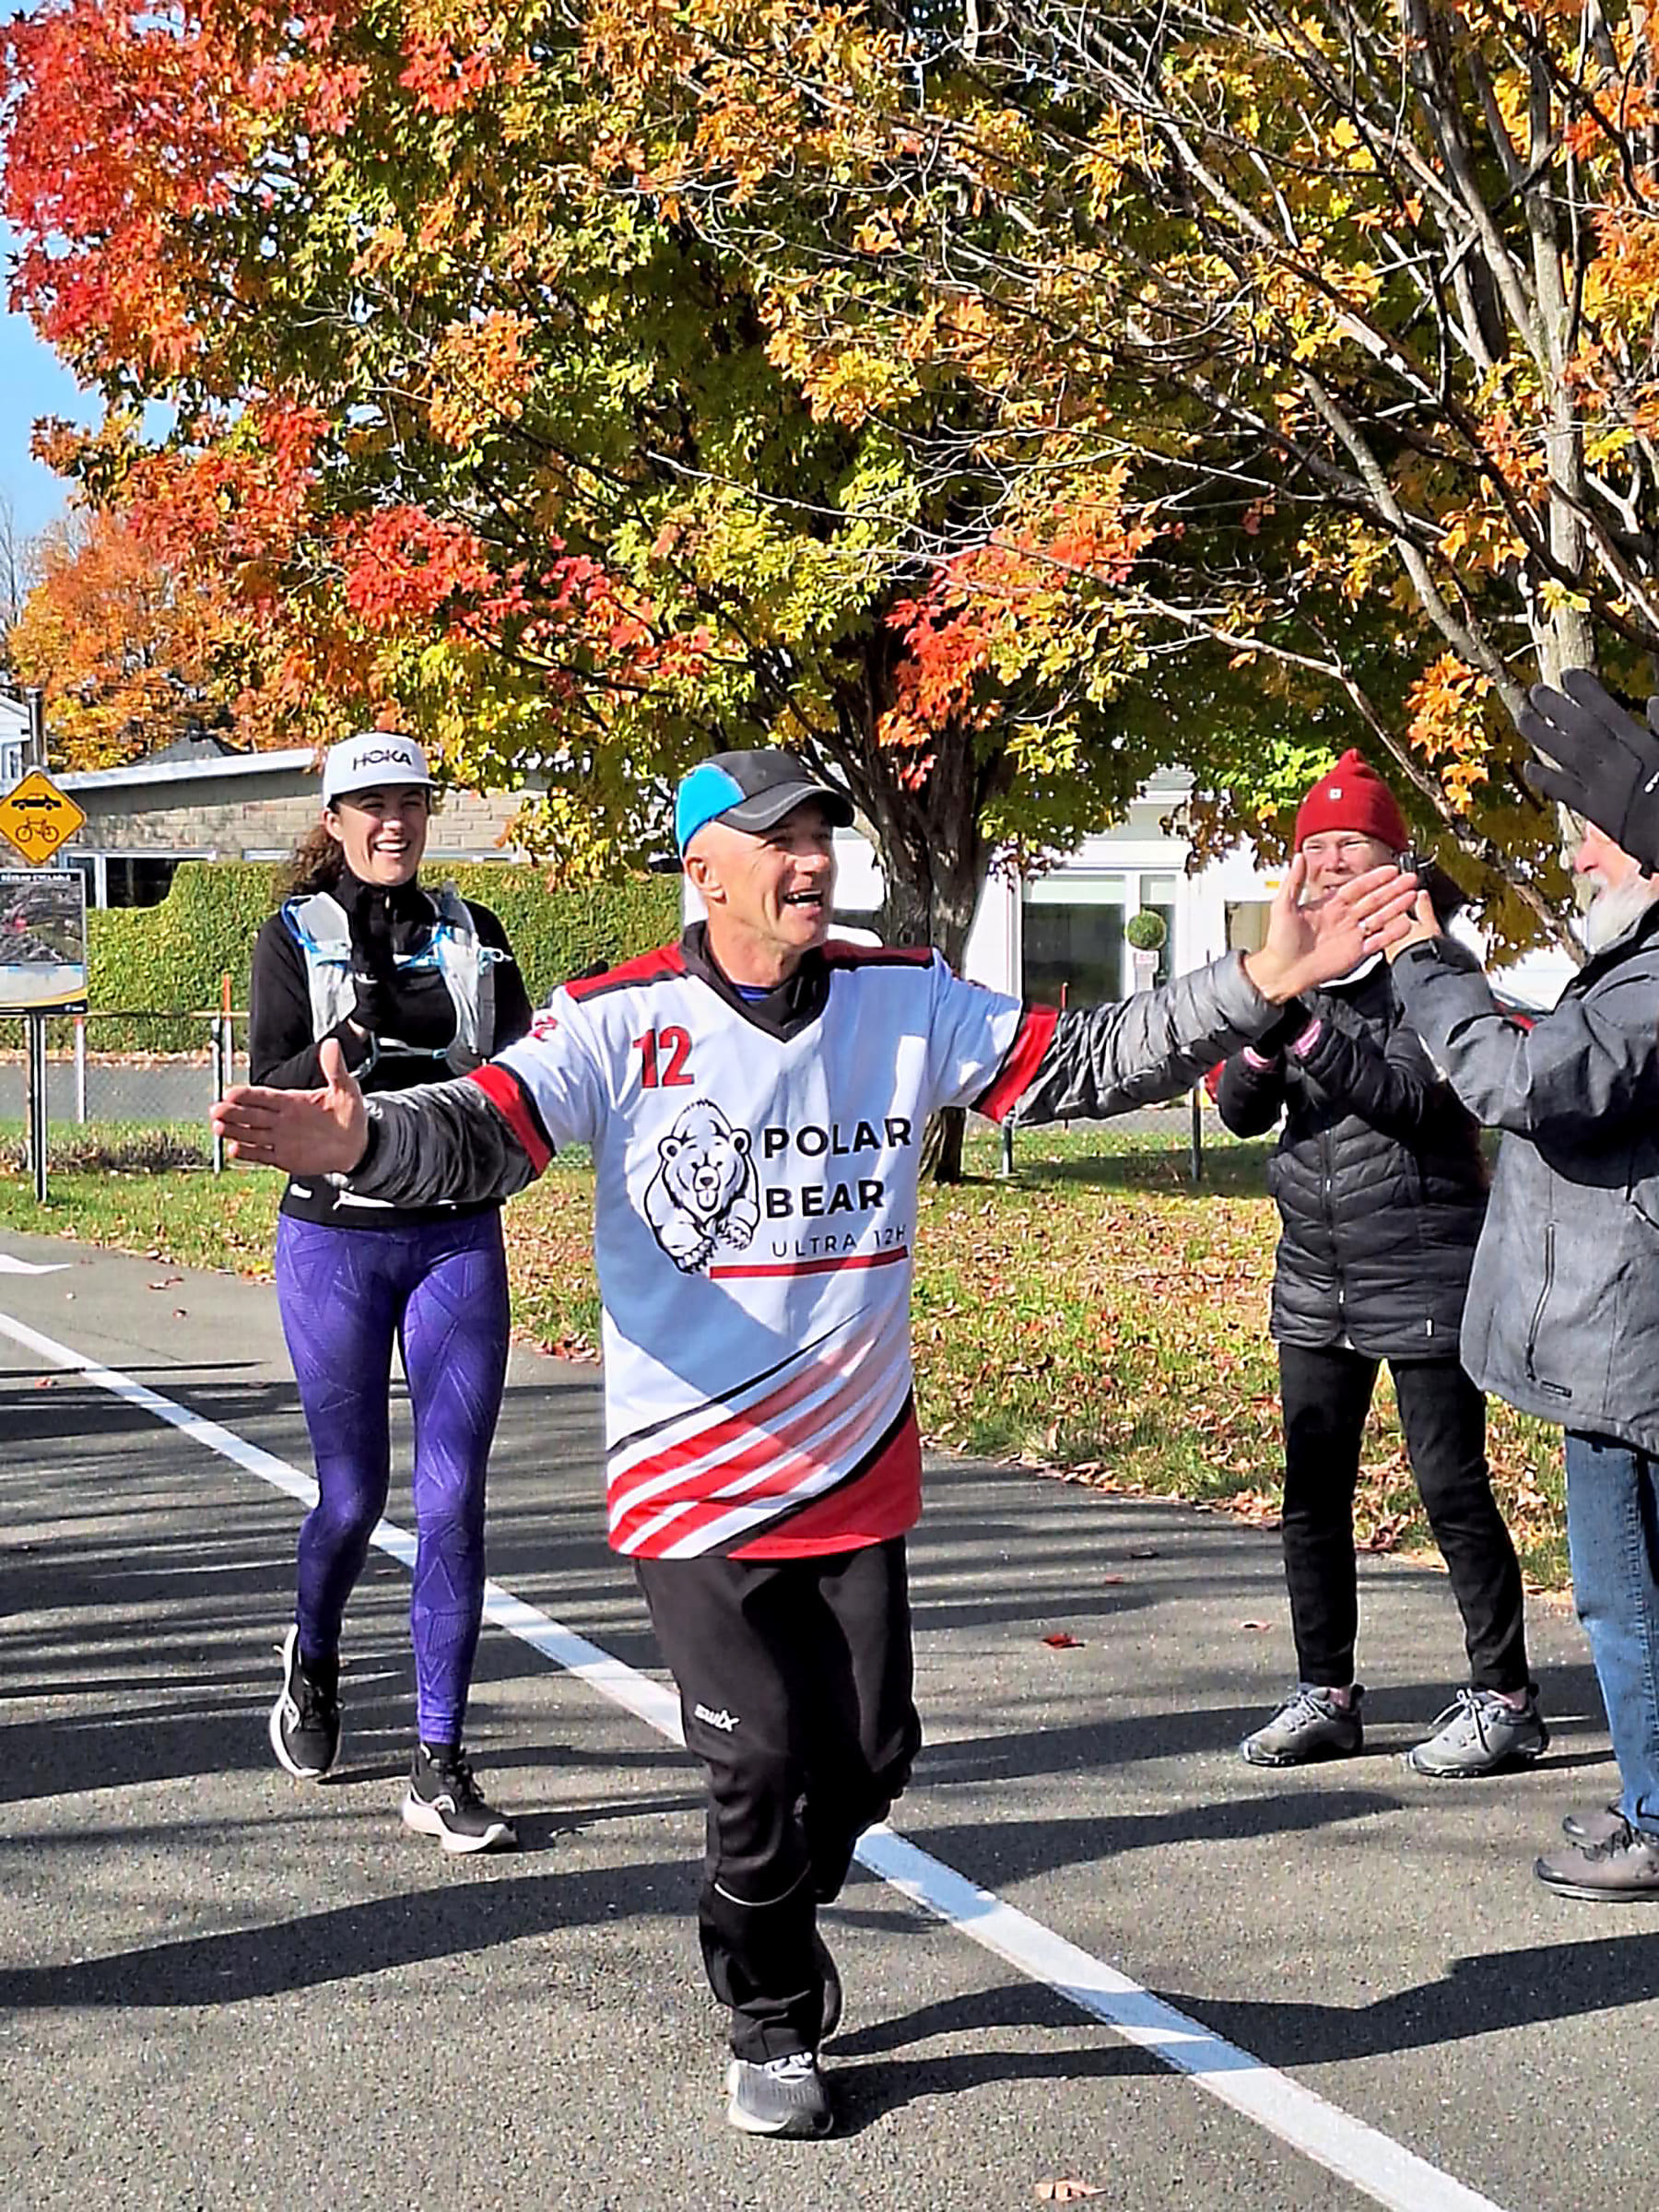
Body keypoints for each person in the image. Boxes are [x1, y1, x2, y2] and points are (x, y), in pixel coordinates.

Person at [214, 746, 1419, 2133]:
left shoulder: (900, 998)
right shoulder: (621, 1018)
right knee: (763, 1764)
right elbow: (480, 1134)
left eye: (820, 837)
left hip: (853, 1467)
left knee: (869, 1761)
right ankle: (769, 2010)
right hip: (690, 1481)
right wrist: (355, 1142)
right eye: (778, 839)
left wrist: (1257, 983)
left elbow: (1081, 1065)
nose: (810, 863)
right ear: (703, 866)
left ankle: (773, 1900)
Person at [1384, 670, 1659, 1897]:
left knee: (1625, 1599)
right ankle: (1652, 1798)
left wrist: (1423, 963)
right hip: (1623, 1333)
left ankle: (1657, 1823)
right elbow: (1565, 1057)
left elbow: (1530, 1088)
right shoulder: (1639, 967)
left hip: (1633, 1347)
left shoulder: (1655, 978)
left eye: (1597, 833)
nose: (1584, 858)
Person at [1218, 751, 1543, 1776]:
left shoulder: (1433, 969)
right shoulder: (1294, 971)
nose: (1324, 868)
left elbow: (1412, 1100)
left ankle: (1507, 1698)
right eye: (1311, 852)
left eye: (1348, 849)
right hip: (1317, 1272)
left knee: (1451, 1488)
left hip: (1427, 1266)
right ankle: (1328, 1692)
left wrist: (1307, 1026)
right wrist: (1269, 1034)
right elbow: (1236, 1108)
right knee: (1312, 1491)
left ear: (1394, 866)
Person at [251, 729, 534, 1853]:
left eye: (409, 802)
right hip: (337, 1243)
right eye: (368, 805)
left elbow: (525, 1071)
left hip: (456, 1234)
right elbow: (271, 1089)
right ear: (333, 821)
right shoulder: (294, 936)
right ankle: (313, 1658)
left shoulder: (474, 933)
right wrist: (349, 1042)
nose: (391, 823)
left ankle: (438, 1760)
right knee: (354, 1500)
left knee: (455, 1498)